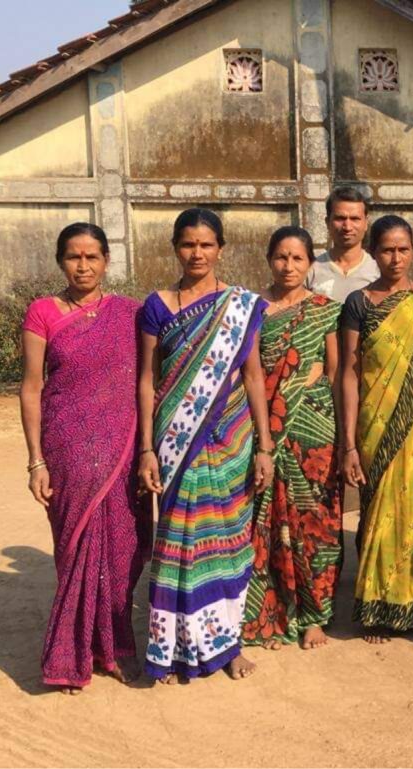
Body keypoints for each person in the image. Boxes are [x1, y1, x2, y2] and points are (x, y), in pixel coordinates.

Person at [137, 208, 274, 683]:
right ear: (175, 247)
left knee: (229, 540)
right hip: (176, 440)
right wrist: (147, 448)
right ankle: (173, 649)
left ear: (221, 248)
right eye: (188, 244)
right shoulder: (156, 306)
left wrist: (264, 446)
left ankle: (228, 645)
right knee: (179, 544)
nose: (197, 253)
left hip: (231, 438)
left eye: (206, 245)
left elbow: (253, 376)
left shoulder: (240, 305)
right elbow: (147, 379)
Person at [19, 223, 148, 695]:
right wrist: (36, 461)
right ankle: (72, 653)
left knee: (122, 550)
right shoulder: (42, 312)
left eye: (92, 256)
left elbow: (150, 378)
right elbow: (31, 388)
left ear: (107, 261)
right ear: (61, 261)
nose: (83, 265)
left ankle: (116, 647)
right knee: (74, 550)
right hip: (66, 448)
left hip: (121, 449)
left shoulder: (130, 314)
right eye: (74, 256)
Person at [339, 215, 413, 644]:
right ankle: (375, 609)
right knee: (378, 515)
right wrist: (349, 444)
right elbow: (349, 373)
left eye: (403, 249)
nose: (396, 258)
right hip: (376, 425)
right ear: (373, 252)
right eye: (387, 250)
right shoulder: (359, 303)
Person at [242, 226, 343, 652]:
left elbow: (335, 373)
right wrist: (265, 436)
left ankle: (315, 617)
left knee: (316, 523)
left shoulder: (325, 310)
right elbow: (248, 374)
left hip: (314, 430)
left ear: (310, 264)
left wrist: (342, 437)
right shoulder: (251, 309)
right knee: (266, 521)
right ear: (269, 259)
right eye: (281, 257)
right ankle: (275, 612)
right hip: (265, 427)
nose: (289, 266)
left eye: (298, 258)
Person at [307, 186, 379, 303]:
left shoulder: (378, 271)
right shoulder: (311, 271)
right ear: (327, 222)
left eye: (355, 219)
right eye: (340, 218)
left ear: (366, 223)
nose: (347, 227)